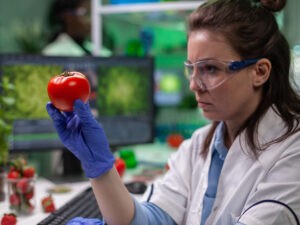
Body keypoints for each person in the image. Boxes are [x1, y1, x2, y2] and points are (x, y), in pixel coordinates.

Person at [46, 0, 300, 224]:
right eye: (192, 68)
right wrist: (100, 169)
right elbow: (150, 219)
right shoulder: (199, 145)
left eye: (210, 69)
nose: (194, 85)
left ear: (260, 72)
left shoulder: (292, 152)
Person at [42, 0, 112, 56]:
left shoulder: (95, 49)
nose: (92, 20)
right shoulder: (52, 53)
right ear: (68, 16)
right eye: (86, 13)